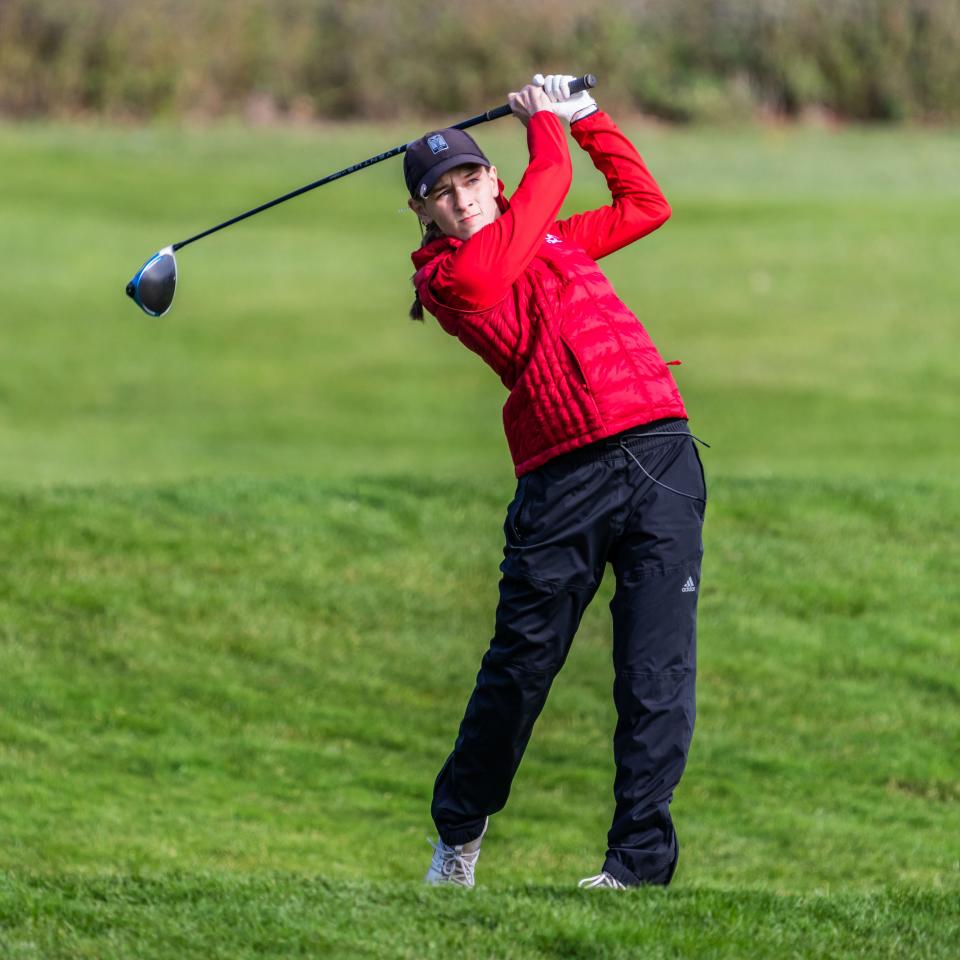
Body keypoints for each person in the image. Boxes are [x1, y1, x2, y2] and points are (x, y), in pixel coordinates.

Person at [404, 74, 708, 890]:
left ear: (491, 182)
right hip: (563, 480)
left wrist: (586, 117)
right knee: (521, 670)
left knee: (657, 674)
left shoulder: (554, 240)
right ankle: (459, 835)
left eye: (471, 179)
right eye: (441, 192)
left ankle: (637, 869)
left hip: (662, 451)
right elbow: (549, 185)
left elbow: (646, 205)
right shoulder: (449, 281)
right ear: (424, 215)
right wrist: (544, 127)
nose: (461, 198)